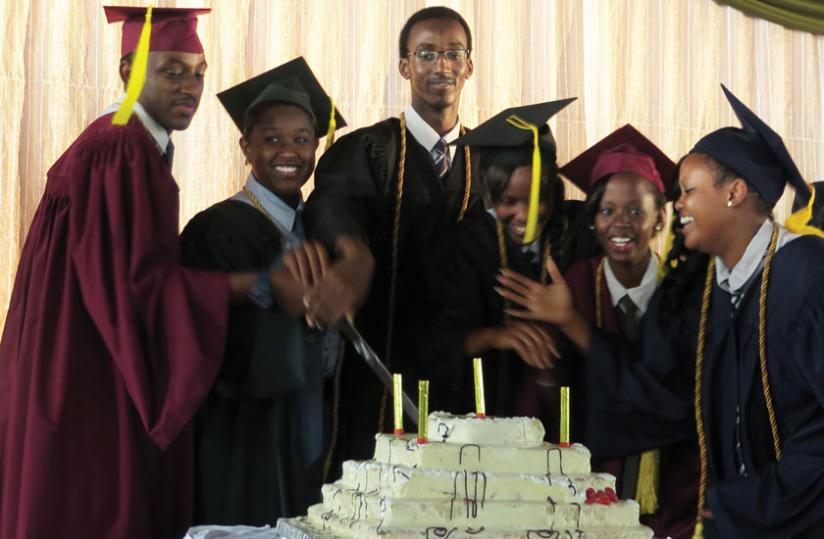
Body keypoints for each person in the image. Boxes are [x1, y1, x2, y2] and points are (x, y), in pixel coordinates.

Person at [0, 8, 316, 538]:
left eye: (198, 71)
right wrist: (256, 284)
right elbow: (135, 291)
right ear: (128, 71)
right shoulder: (121, 150)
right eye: (171, 70)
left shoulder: (125, 143)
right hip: (89, 374)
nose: (189, 86)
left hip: (75, 357)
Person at [498, 85, 824, 537]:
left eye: (688, 191)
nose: (680, 205)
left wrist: (763, 501)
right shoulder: (715, 291)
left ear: (734, 192)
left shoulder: (804, 275)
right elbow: (659, 392)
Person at [303, 6, 479, 469]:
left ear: (469, 65)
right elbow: (332, 204)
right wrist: (352, 253)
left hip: (462, 375)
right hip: (377, 373)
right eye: (425, 54)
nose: (441, 65)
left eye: (453, 53)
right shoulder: (367, 150)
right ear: (405, 66)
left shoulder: (492, 161)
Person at [180, 58, 344, 525]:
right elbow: (204, 334)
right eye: (271, 139)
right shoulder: (217, 228)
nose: (287, 151)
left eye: (302, 139)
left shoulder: (323, 229)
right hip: (243, 431)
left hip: (313, 428)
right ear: (245, 146)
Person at [559, 125, 698, 539]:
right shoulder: (574, 286)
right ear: (593, 220)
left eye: (636, 211)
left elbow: (683, 401)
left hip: (680, 497)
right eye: (607, 211)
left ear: (661, 218)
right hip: (588, 497)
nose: (620, 223)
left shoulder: (691, 294)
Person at [424, 100, 575, 426]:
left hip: (566, 425)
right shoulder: (464, 246)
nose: (525, 215)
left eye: (538, 198)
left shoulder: (575, 235)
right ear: (490, 196)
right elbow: (435, 342)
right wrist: (497, 337)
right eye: (510, 201)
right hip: (480, 426)